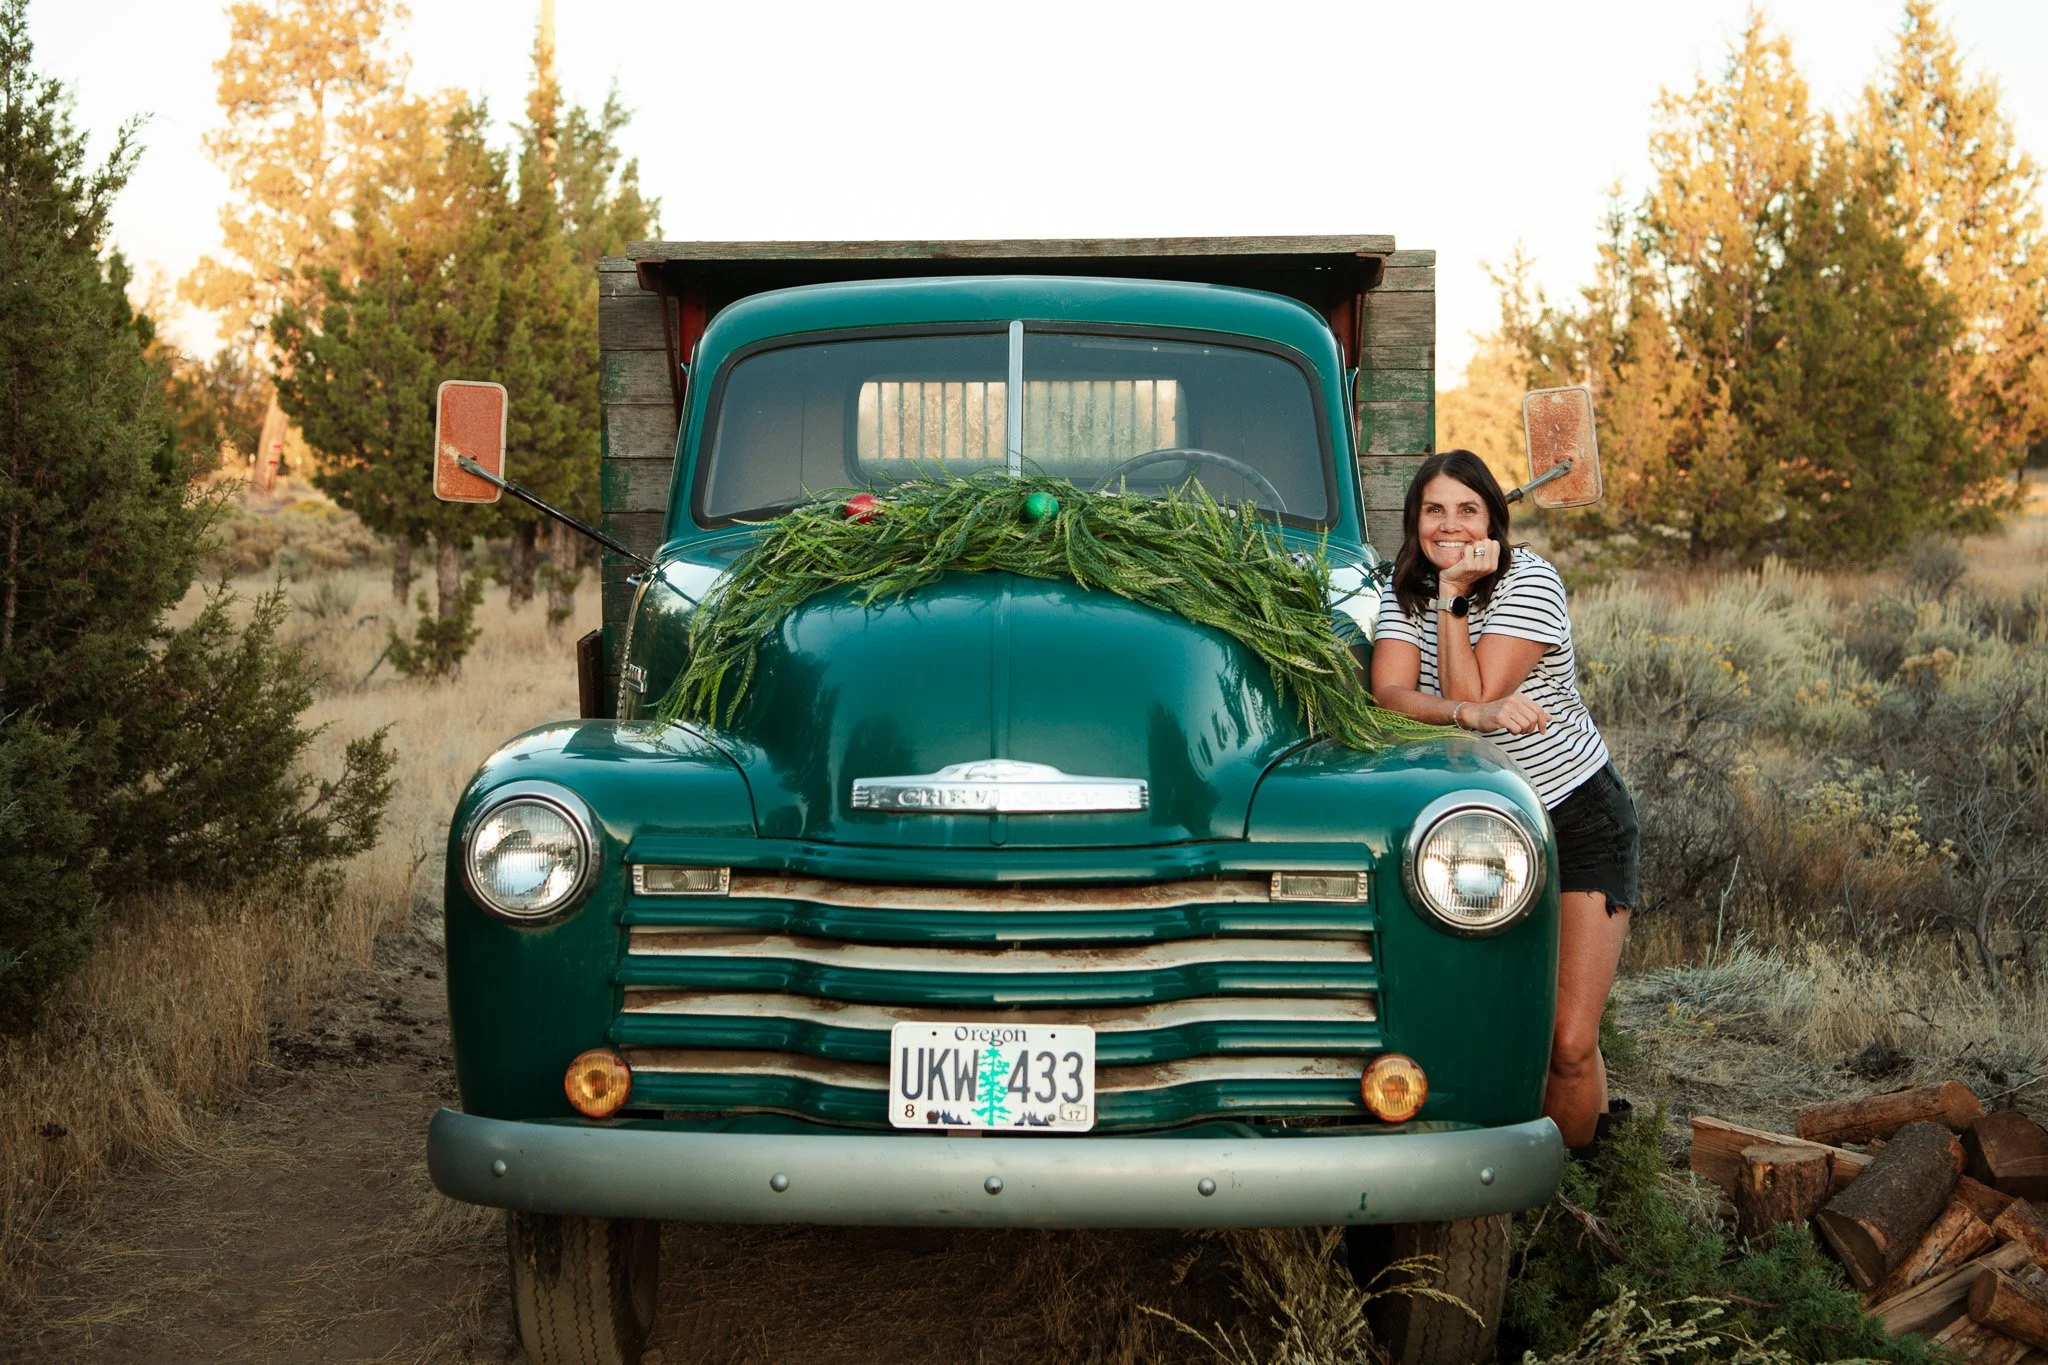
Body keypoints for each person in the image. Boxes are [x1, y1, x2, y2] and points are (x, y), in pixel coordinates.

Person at [1368, 449, 1640, 1152]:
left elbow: (1475, 690)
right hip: (1470, 835)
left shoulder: (1531, 580)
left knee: (1568, 1037)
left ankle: (1575, 1184)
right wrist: (1461, 715)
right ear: (1414, 520)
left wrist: (1457, 595)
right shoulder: (1398, 588)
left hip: (1574, 816)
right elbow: (1392, 693)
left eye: (1467, 509)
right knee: (1497, 1018)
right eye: (1434, 510)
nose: (1449, 524)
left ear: (1493, 518)